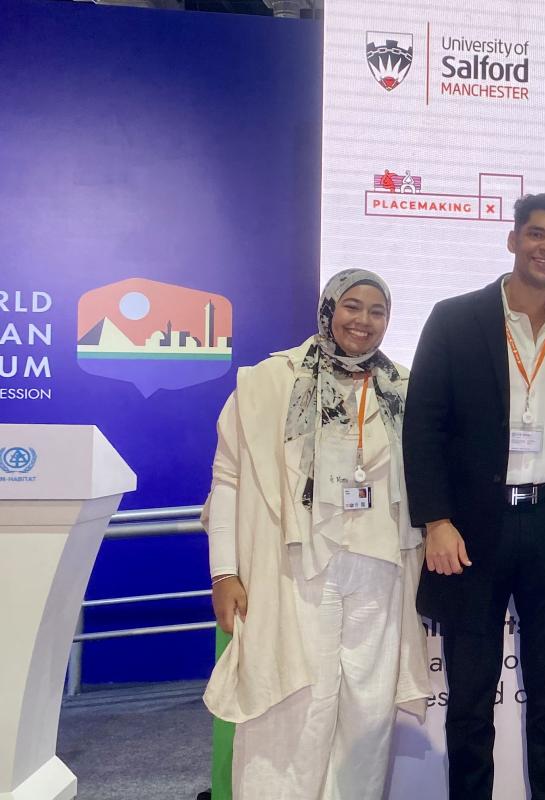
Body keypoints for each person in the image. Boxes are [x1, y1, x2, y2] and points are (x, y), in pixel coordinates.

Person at [403, 193, 545, 799]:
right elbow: (423, 426)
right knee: (472, 696)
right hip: (475, 528)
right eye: (536, 234)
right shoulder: (455, 317)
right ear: (513, 240)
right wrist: (436, 520)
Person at [204, 269, 430, 799]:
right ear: (328, 309)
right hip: (295, 566)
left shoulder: (403, 386)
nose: (364, 321)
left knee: (369, 710)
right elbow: (229, 479)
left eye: (378, 312)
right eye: (353, 307)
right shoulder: (269, 382)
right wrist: (224, 571)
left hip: (380, 568)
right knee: (294, 701)